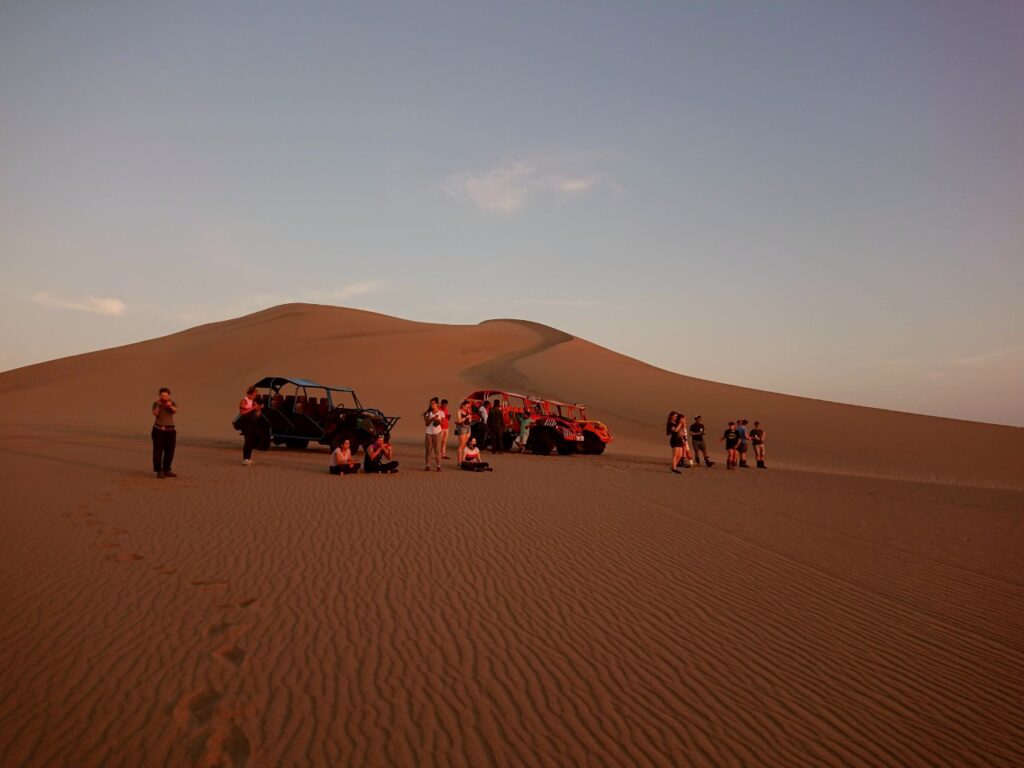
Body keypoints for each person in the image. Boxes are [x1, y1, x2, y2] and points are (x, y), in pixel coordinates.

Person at [151, 387, 178, 478]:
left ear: (169, 395)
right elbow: (155, 413)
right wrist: (158, 406)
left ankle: (167, 469)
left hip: (170, 431)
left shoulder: (172, 403)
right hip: (159, 430)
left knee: (170, 451)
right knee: (158, 451)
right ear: (160, 395)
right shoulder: (156, 403)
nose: (164, 397)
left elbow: (175, 410)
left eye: (166, 395)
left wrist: (170, 405)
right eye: (162, 395)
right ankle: (159, 470)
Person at [238, 385, 262, 466]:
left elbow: (257, 414)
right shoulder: (244, 401)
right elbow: (242, 413)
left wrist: (259, 409)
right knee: (248, 441)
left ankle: (248, 458)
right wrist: (253, 408)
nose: (255, 395)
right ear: (250, 394)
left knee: (252, 441)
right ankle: (245, 459)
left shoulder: (254, 402)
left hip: (253, 423)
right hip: (245, 423)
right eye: (255, 394)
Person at [423, 397, 444, 471]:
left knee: (437, 450)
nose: (432, 405)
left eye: (433, 403)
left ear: (437, 404)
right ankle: (427, 465)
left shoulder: (441, 412)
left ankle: (438, 465)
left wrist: (438, 421)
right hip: (429, 433)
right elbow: (427, 424)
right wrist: (432, 418)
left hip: (438, 432)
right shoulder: (428, 413)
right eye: (431, 403)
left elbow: (443, 423)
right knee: (428, 449)